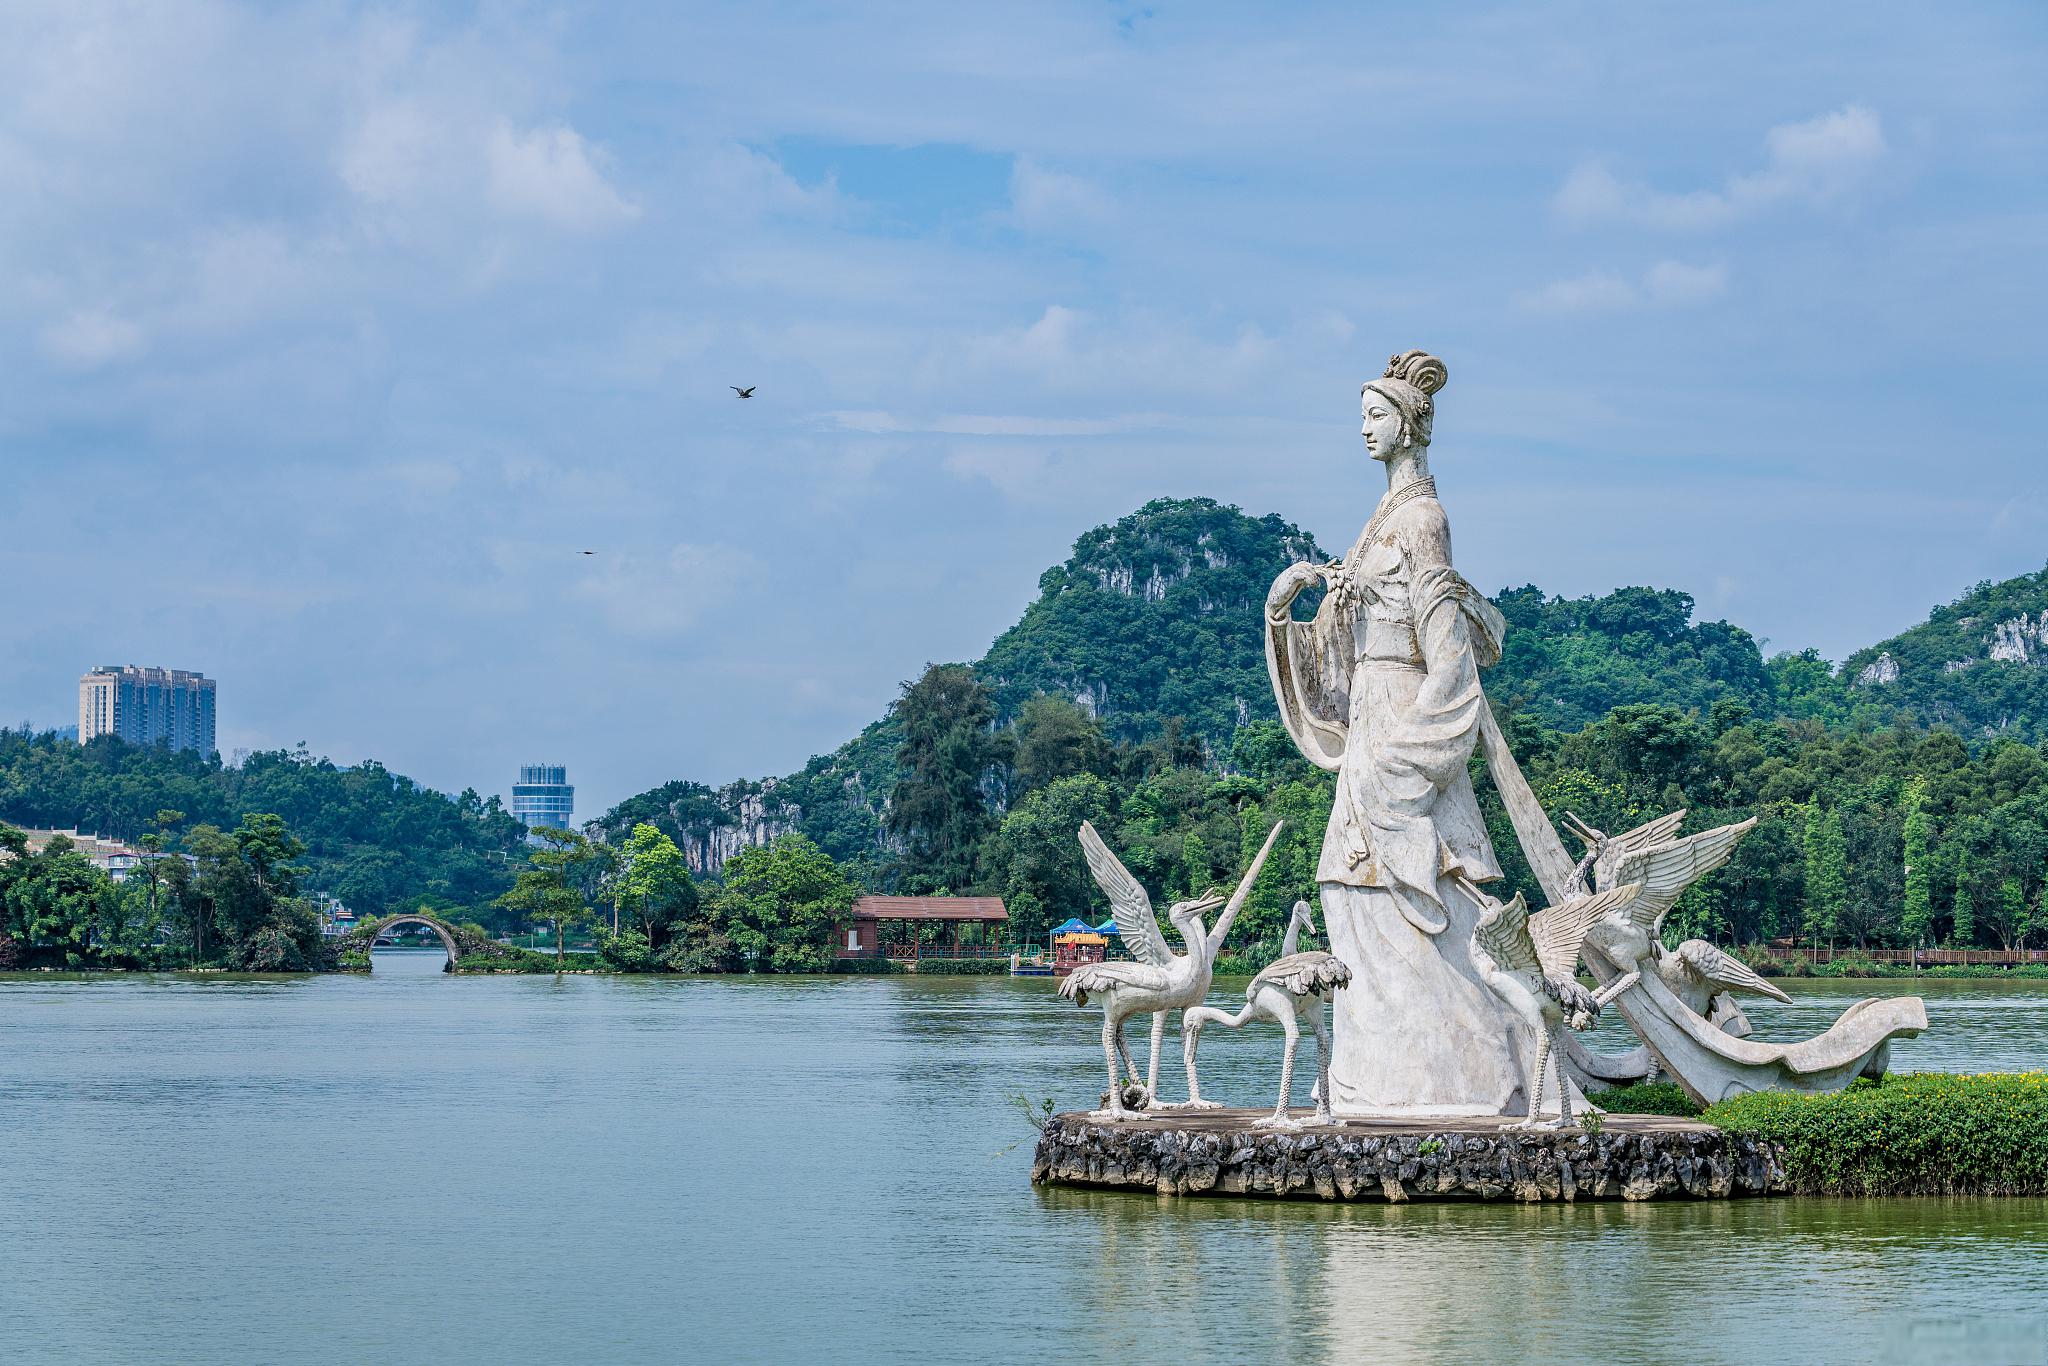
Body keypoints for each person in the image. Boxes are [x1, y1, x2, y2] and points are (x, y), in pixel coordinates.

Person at [1263, 350, 1525, 1116]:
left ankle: (1460, 1079)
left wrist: (1409, 766)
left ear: (1410, 425)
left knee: (1387, 888)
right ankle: (1374, 1079)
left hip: (1403, 724)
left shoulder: (1422, 521)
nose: (1364, 431)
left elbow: (1449, 660)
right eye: (1362, 417)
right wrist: (1283, 616)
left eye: (1375, 416)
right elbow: (1345, 650)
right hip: (1372, 714)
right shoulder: (1376, 525)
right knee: (1346, 889)